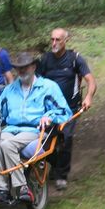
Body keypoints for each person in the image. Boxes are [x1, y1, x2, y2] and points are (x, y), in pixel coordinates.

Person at [0, 52, 72, 203]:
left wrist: (50, 116)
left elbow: (65, 112)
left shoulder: (48, 87)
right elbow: (1, 115)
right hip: (10, 129)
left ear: (33, 67)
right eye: (19, 68)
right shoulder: (9, 90)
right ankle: (2, 190)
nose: (21, 71)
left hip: (35, 130)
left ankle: (22, 188)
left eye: (25, 67)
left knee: (8, 145)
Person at [38, 28, 97, 190]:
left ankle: (61, 175)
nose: (54, 43)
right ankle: (56, 165)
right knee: (44, 140)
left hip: (70, 108)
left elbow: (91, 81)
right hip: (48, 109)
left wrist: (89, 97)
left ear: (66, 41)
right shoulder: (45, 60)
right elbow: (36, 82)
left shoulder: (75, 59)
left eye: (58, 40)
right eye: (52, 40)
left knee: (65, 137)